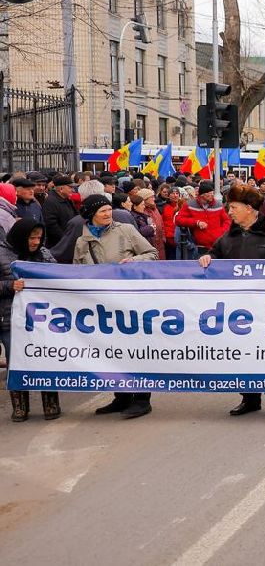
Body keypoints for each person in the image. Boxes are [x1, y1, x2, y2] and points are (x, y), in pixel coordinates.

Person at [199, 184, 265, 418]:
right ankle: (250, 398)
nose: (229, 212)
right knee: (244, 353)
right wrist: (208, 258)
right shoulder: (230, 235)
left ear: (249, 208)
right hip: (240, 310)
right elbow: (216, 254)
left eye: (233, 207)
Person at [74, 194, 158, 419]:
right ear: (91, 215)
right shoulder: (82, 240)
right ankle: (121, 397)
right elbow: (77, 272)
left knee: (136, 351)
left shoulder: (126, 230)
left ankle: (142, 399)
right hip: (102, 306)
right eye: (102, 211)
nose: (108, 213)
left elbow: (152, 253)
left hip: (131, 302)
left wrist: (134, 262)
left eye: (109, 209)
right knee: (113, 351)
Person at [1, 219, 61, 421]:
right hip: (10, 319)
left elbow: (58, 276)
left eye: (39, 237)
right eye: (32, 237)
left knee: (46, 357)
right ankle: (20, 407)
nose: (36, 242)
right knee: (16, 361)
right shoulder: (2, 254)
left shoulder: (44, 254)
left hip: (41, 318)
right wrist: (10, 286)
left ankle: (50, 403)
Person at [174, 181, 231, 256]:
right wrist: (196, 222)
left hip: (217, 246)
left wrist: (221, 232)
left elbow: (227, 221)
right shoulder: (190, 205)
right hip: (200, 248)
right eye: (209, 194)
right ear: (203, 195)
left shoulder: (218, 205)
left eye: (212, 193)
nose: (212, 196)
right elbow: (178, 219)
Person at [41, 175, 77, 248]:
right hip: (58, 245)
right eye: (70, 187)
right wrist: (65, 239)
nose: (73, 190)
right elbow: (51, 225)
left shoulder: (67, 199)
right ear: (61, 189)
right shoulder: (51, 202)